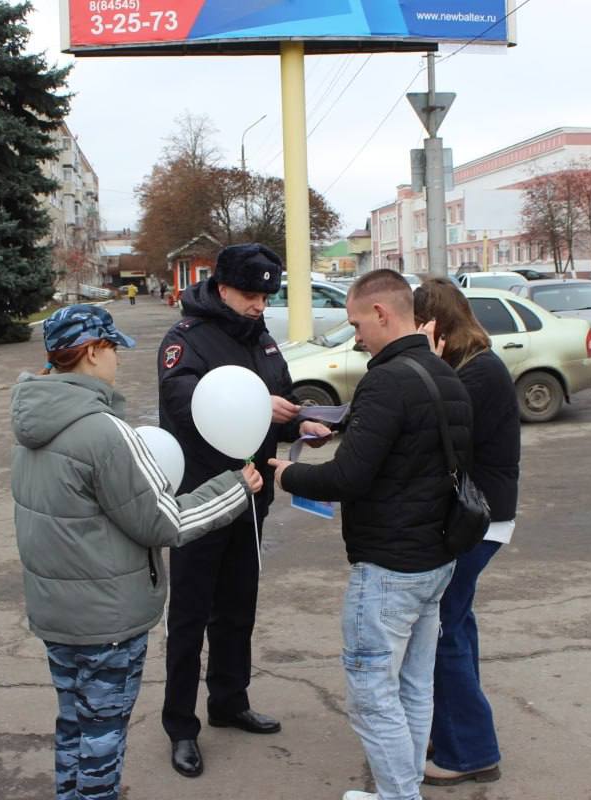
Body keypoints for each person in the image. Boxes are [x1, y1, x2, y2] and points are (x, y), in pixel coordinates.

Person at [11, 305, 264, 800]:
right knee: (103, 739)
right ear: (89, 353)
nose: (118, 361)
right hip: (107, 620)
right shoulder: (104, 432)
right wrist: (235, 490)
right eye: (111, 349)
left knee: (74, 726)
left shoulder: (30, 423)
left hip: (56, 613)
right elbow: (163, 521)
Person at [268, 270, 473, 800]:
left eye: (357, 322)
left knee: (371, 694)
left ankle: (400, 796)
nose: (355, 334)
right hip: (434, 558)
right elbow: (408, 455)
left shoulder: (387, 379)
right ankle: (398, 793)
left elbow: (348, 477)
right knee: (413, 686)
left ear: (382, 314)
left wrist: (283, 473)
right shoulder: (443, 371)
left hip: (390, 567)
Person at [157, 243, 331, 778]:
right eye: (251, 295)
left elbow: (273, 407)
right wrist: (259, 401)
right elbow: (185, 405)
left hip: (252, 497)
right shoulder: (184, 340)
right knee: (189, 617)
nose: (260, 305)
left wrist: (297, 423)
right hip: (199, 500)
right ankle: (181, 726)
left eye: (265, 295)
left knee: (237, 608)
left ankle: (229, 701)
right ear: (223, 288)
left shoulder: (261, 340)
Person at [413, 279, 520, 787]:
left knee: (444, 633)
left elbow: (437, 432)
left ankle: (470, 751)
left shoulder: (478, 373)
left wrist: (426, 365)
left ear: (435, 325)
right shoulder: (474, 365)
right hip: (480, 517)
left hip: (479, 520)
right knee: (456, 625)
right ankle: (452, 732)